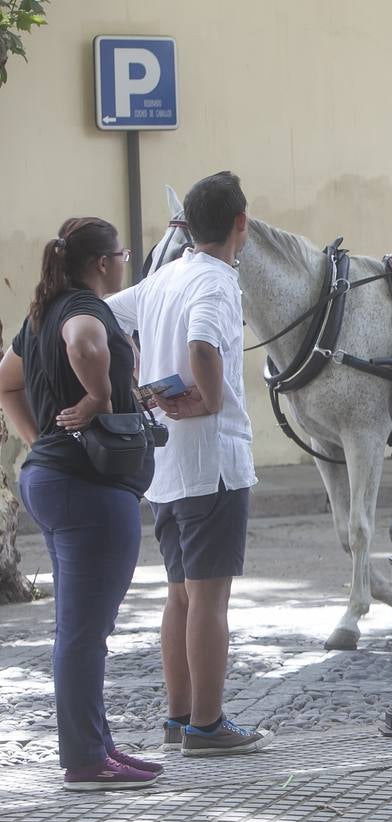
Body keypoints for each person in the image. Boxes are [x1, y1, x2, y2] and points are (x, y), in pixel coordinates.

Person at [105, 172, 270, 757]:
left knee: (179, 596)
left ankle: (178, 718)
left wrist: (140, 383)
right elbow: (202, 345)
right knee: (209, 599)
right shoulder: (218, 281)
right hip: (214, 463)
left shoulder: (161, 278)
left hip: (169, 468)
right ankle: (207, 723)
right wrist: (210, 396)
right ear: (239, 224)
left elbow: (105, 319)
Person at [0, 218, 160, 790]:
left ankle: (97, 747)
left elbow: (6, 381)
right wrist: (96, 396)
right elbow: (86, 342)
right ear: (102, 263)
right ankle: (87, 762)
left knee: (79, 626)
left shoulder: (41, 313)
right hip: (87, 490)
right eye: (121, 253)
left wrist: (41, 435)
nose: (125, 260)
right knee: (84, 632)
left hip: (53, 479)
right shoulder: (81, 312)